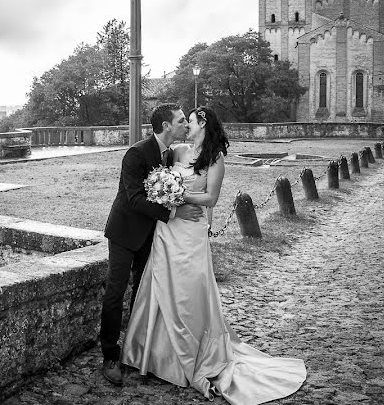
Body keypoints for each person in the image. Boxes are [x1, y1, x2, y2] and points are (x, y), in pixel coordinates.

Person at [121, 106, 307, 403]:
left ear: (203, 125)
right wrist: (163, 193)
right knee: (160, 285)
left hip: (192, 231)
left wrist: (181, 196)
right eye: (184, 122)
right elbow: (156, 179)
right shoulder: (177, 151)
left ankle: (194, 351)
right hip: (167, 230)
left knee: (190, 290)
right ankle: (153, 355)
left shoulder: (216, 159)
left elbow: (211, 198)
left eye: (190, 122)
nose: (186, 126)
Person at [99, 103, 204, 386]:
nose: (185, 124)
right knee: (115, 291)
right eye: (181, 121)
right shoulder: (136, 153)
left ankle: (136, 349)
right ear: (166, 126)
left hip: (151, 235)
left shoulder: (170, 154)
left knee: (144, 291)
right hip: (124, 232)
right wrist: (173, 213)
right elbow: (133, 199)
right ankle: (109, 355)